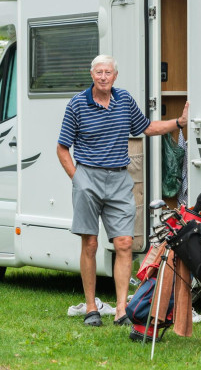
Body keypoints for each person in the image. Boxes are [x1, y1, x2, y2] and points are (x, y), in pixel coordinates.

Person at [57, 54, 188, 327]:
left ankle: (120, 309)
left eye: (108, 72)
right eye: (99, 72)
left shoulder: (125, 100)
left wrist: (179, 122)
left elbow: (147, 127)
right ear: (91, 75)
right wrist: (77, 179)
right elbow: (62, 148)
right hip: (88, 177)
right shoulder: (77, 104)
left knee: (125, 243)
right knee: (90, 243)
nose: (103, 77)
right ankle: (91, 307)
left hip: (119, 178)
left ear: (115, 76)